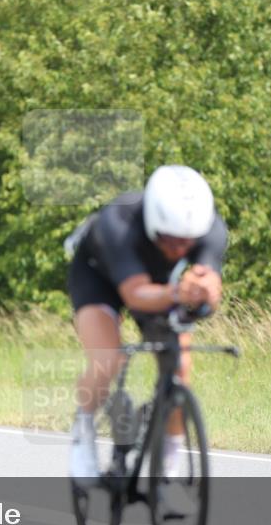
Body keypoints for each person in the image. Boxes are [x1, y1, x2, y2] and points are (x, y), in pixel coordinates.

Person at [65, 165, 228, 484]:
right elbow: (135, 295)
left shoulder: (211, 228)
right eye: (170, 240)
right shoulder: (119, 222)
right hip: (99, 277)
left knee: (181, 369)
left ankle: (167, 468)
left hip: (159, 283)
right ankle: (82, 436)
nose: (179, 249)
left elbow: (211, 288)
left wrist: (205, 289)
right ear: (154, 224)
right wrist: (179, 292)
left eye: (187, 243)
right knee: (107, 359)